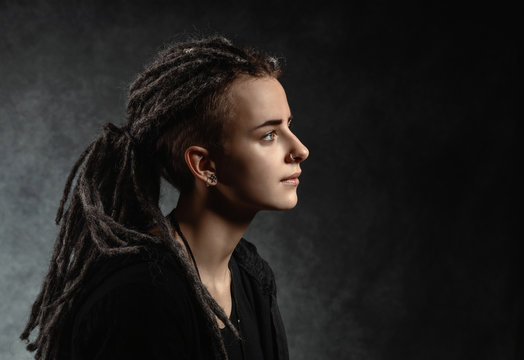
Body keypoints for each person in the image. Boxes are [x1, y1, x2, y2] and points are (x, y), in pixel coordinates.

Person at [20, 35, 309, 360]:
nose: (300, 150)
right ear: (204, 165)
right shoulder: (141, 295)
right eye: (269, 135)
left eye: (288, 126)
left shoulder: (251, 274)